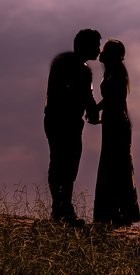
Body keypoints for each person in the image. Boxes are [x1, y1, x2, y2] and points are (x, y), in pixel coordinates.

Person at [44, 28, 102, 225]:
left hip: (64, 121)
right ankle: (62, 208)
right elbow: (82, 94)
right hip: (62, 120)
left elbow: (86, 95)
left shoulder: (73, 65)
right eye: (96, 45)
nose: (99, 49)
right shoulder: (71, 65)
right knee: (63, 163)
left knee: (65, 164)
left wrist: (91, 109)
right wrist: (91, 110)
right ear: (86, 46)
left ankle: (62, 208)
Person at [93, 39, 140, 227]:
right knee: (113, 164)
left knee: (114, 164)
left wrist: (95, 109)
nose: (100, 52)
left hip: (116, 123)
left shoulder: (117, 72)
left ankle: (117, 213)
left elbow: (114, 98)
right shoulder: (113, 71)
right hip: (113, 121)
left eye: (105, 49)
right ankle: (115, 212)